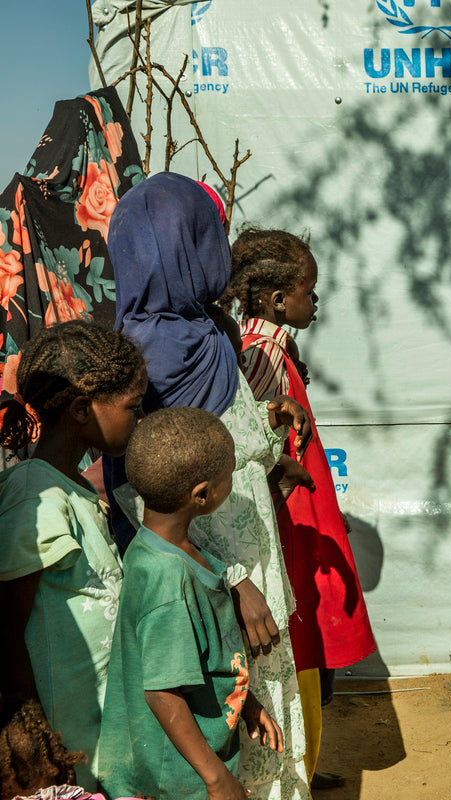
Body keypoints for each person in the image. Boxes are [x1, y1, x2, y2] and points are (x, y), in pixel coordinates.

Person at [106, 172, 312, 800]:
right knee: (231, 705)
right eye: (205, 235)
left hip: (247, 559)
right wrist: (234, 579)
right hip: (212, 579)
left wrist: (270, 437)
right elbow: (146, 488)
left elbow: (233, 444)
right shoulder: (145, 357)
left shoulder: (205, 332)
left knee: (264, 709)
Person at [223, 226, 377, 787]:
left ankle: (301, 767)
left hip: (294, 512)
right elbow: (251, 434)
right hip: (285, 518)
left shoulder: (266, 343)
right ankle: (295, 771)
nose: (316, 302)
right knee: (300, 631)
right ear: (277, 299)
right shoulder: (261, 354)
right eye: (310, 292)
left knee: (308, 632)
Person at [96, 407, 283, 800]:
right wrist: (216, 779)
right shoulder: (166, 578)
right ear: (202, 495)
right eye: (229, 475)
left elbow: (203, 659)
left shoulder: (174, 552)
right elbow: (162, 692)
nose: (232, 481)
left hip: (191, 765)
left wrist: (244, 703)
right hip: (176, 779)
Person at [0, 321, 146, 790]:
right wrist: (31, 733)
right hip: (64, 735)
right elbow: (6, 625)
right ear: (82, 409)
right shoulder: (35, 495)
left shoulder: (76, 487)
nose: (138, 419)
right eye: (131, 407)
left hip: (101, 723)